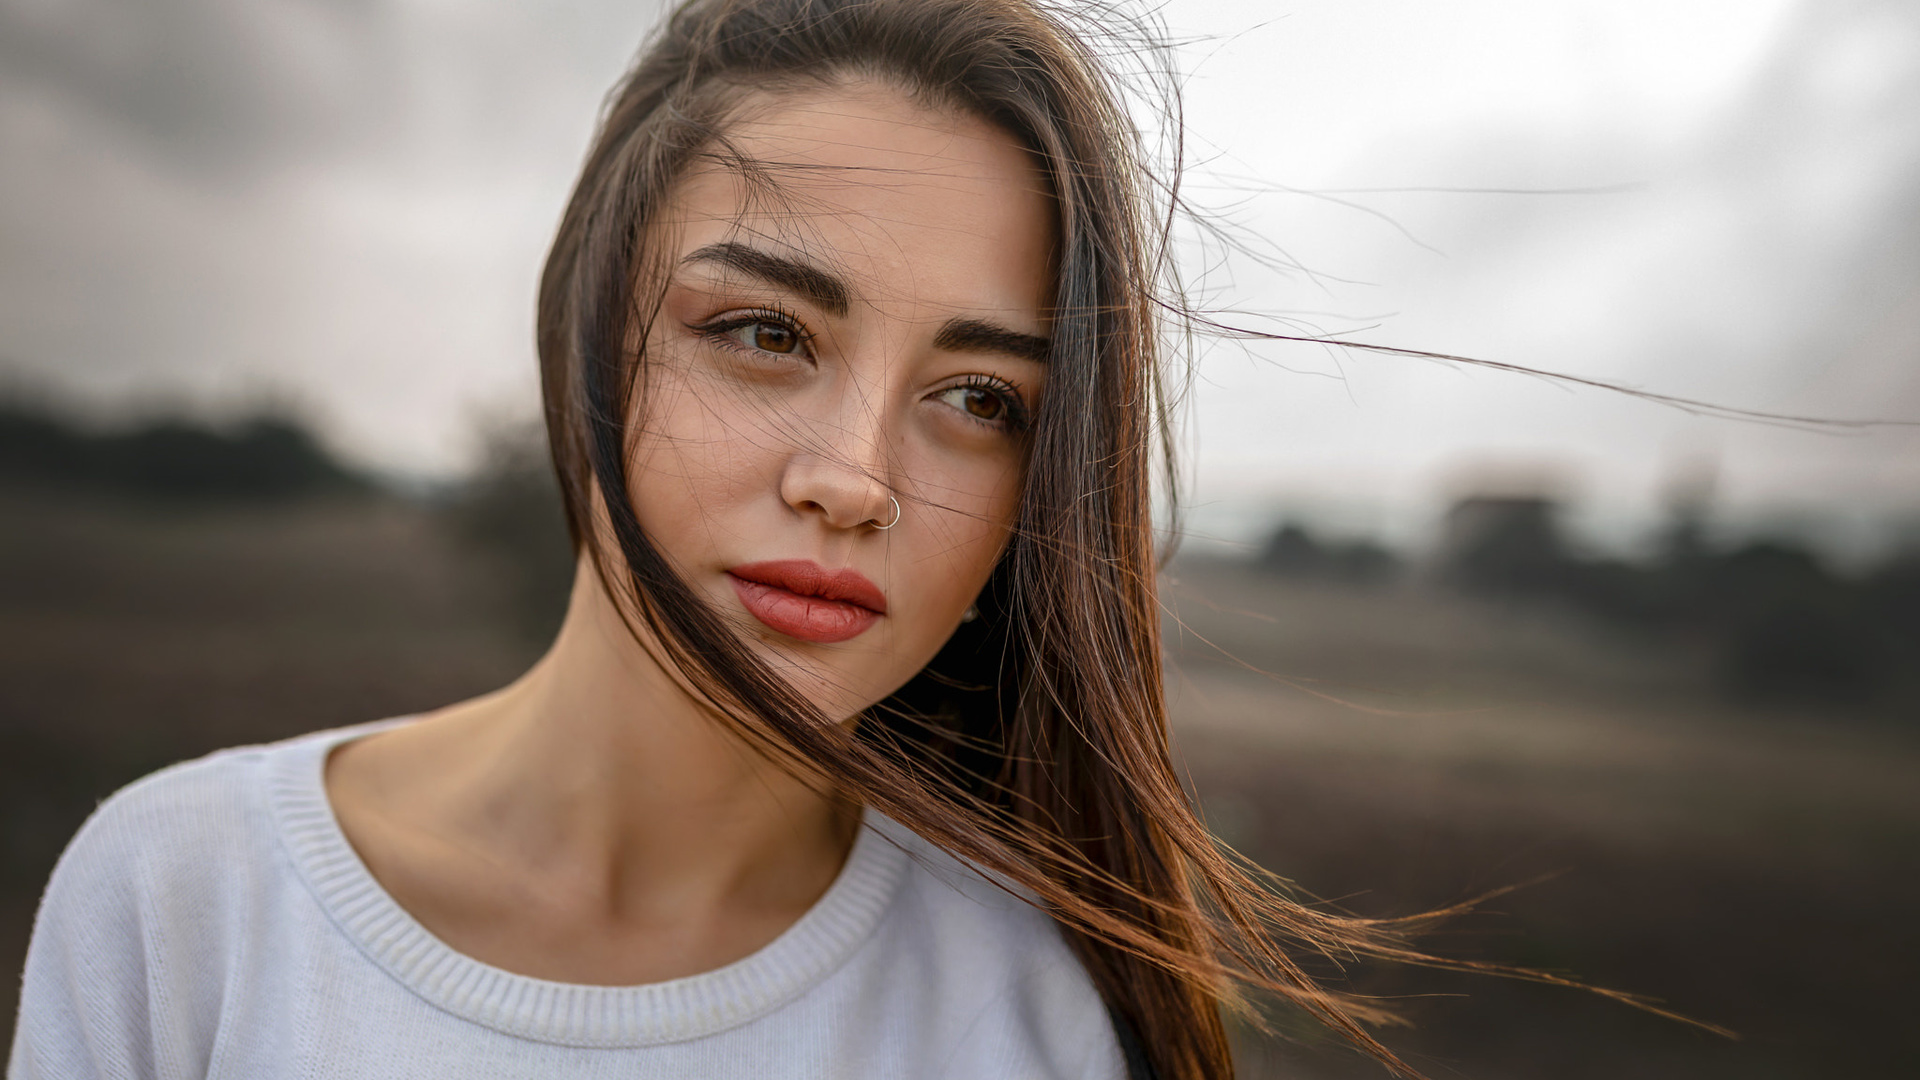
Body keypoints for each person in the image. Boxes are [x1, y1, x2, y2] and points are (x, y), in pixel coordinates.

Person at [7, 1, 1456, 1077]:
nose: (854, 480)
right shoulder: (184, 898)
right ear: (589, 340)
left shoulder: (1028, 1010)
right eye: (764, 332)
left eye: (976, 399)